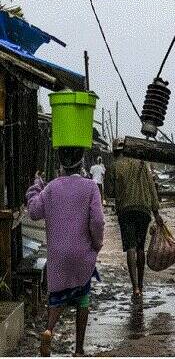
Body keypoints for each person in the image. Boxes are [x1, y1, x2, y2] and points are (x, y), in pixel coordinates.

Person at [26, 147, 104, 356]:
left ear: (60, 164)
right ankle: (79, 349)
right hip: (82, 254)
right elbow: (97, 221)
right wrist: (97, 244)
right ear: (81, 164)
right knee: (83, 297)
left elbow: (33, 212)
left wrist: (36, 187)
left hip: (58, 256)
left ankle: (48, 330)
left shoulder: (51, 188)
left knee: (57, 297)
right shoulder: (90, 187)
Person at [108, 138, 163, 298]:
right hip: (144, 211)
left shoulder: (114, 166)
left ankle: (135, 289)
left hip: (125, 210)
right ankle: (141, 284)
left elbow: (110, 192)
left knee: (130, 248)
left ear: (115, 151)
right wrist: (156, 213)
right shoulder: (141, 164)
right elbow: (152, 188)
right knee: (140, 248)